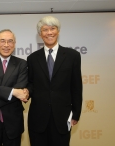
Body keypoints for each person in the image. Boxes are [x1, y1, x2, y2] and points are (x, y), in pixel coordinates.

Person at [26, 16, 83, 146]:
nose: (49, 32)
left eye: (53, 28)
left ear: (58, 31)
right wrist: (25, 92)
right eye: (45, 29)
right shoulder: (32, 58)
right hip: (38, 118)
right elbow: (30, 83)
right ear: (40, 34)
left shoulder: (72, 56)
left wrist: (76, 113)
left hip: (62, 117)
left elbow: (76, 86)